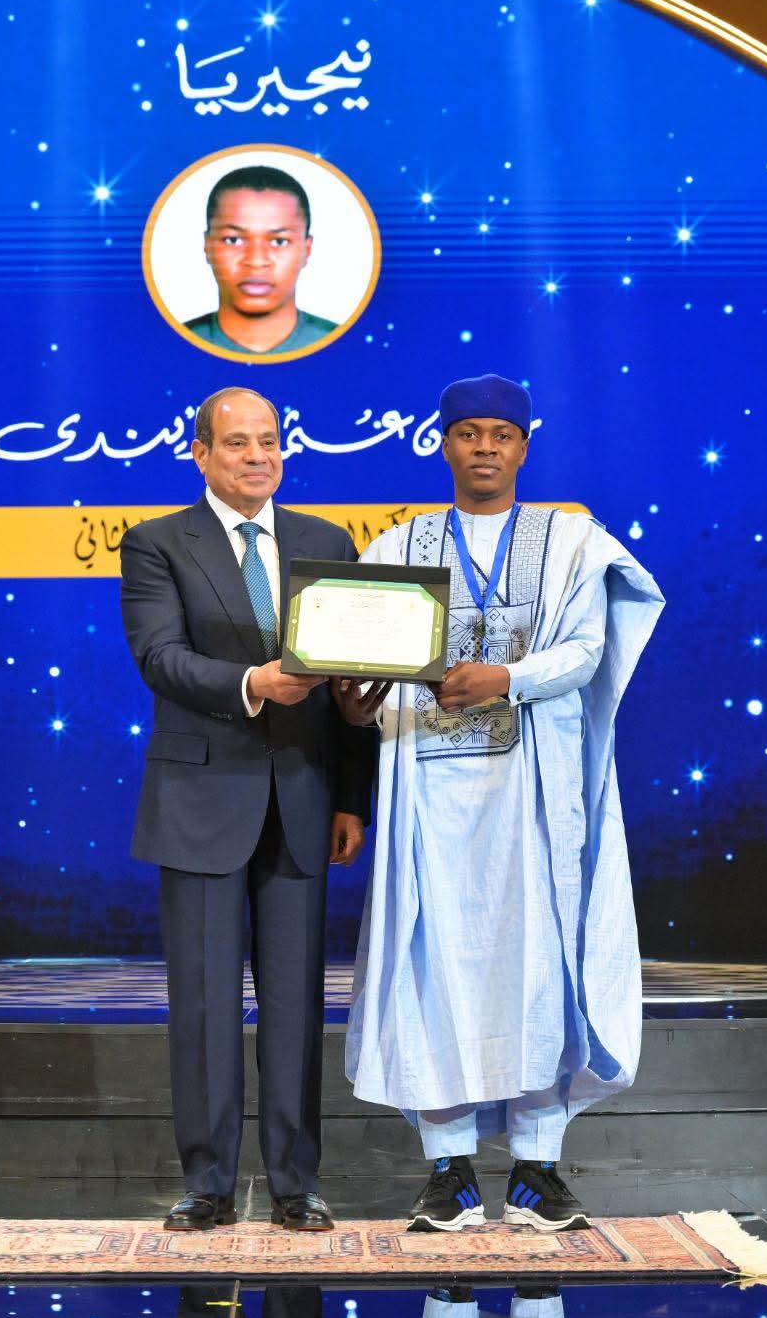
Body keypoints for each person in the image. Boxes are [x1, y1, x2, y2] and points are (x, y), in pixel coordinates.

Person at [337, 373, 665, 1233]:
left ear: (525, 445)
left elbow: (587, 651)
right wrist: (350, 694)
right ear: (443, 443)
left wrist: (505, 677)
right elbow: (358, 675)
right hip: (426, 801)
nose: (484, 447)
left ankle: (535, 1168)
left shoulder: (572, 542)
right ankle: (446, 1169)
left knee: (537, 968)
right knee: (432, 965)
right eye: (468, 433)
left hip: (533, 798)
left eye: (501, 434)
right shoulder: (396, 548)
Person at [120, 386, 373, 1232]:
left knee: (296, 1006)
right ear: (201, 453)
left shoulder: (326, 542)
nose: (257, 456)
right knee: (203, 1004)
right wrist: (253, 683)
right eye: (237, 443)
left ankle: (298, 1183)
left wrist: (351, 797)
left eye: (268, 440)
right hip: (201, 802)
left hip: (303, 799)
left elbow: (351, 687)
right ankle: (208, 1182)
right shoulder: (157, 543)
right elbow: (161, 659)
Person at [185, 165, 338, 355]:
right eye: (233, 240)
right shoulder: (166, 348)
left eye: (279, 241)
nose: (256, 261)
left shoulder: (348, 348)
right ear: (208, 246)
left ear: (306, 250)